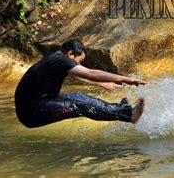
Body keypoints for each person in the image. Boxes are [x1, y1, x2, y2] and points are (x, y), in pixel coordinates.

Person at [15, 39, 147, 128]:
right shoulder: (61, 60)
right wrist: (125, 79)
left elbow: (77, 75)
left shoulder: (54, 58)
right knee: (82, 105)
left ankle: (121, 109)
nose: (79, 64)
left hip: (37, 105)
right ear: (71, 54)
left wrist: (102, 84)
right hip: (33, 113)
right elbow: (90, 73)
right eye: (79, 61)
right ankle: (128, 115)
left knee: (80, 97)